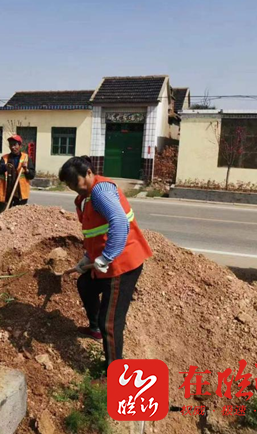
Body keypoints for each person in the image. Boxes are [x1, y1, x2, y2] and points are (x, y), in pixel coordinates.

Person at [58, 156, 152, 380]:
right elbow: (96, 232)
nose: (73, 188)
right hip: (105, 261)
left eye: (76, 182)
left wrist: (106, 257)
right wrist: (87, 257)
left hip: (122, 264)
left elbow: (119, 223)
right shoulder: (87, 197)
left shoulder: (101, 192)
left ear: (89, 173)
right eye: (70, 185)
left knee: (110, 322)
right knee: (85, 284)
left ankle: (114, 375)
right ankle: (94, 330)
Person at [0, 135, 35, 213]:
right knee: (3, 216)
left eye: (15, 145)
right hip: (6, 193)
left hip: (20, 194)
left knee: (18, 216)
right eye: (11, 145)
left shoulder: (26, 158)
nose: (13, 147)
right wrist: (4, 167)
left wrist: (26, 169)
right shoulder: (4, 158)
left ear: (20, 146)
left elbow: (31, 175)